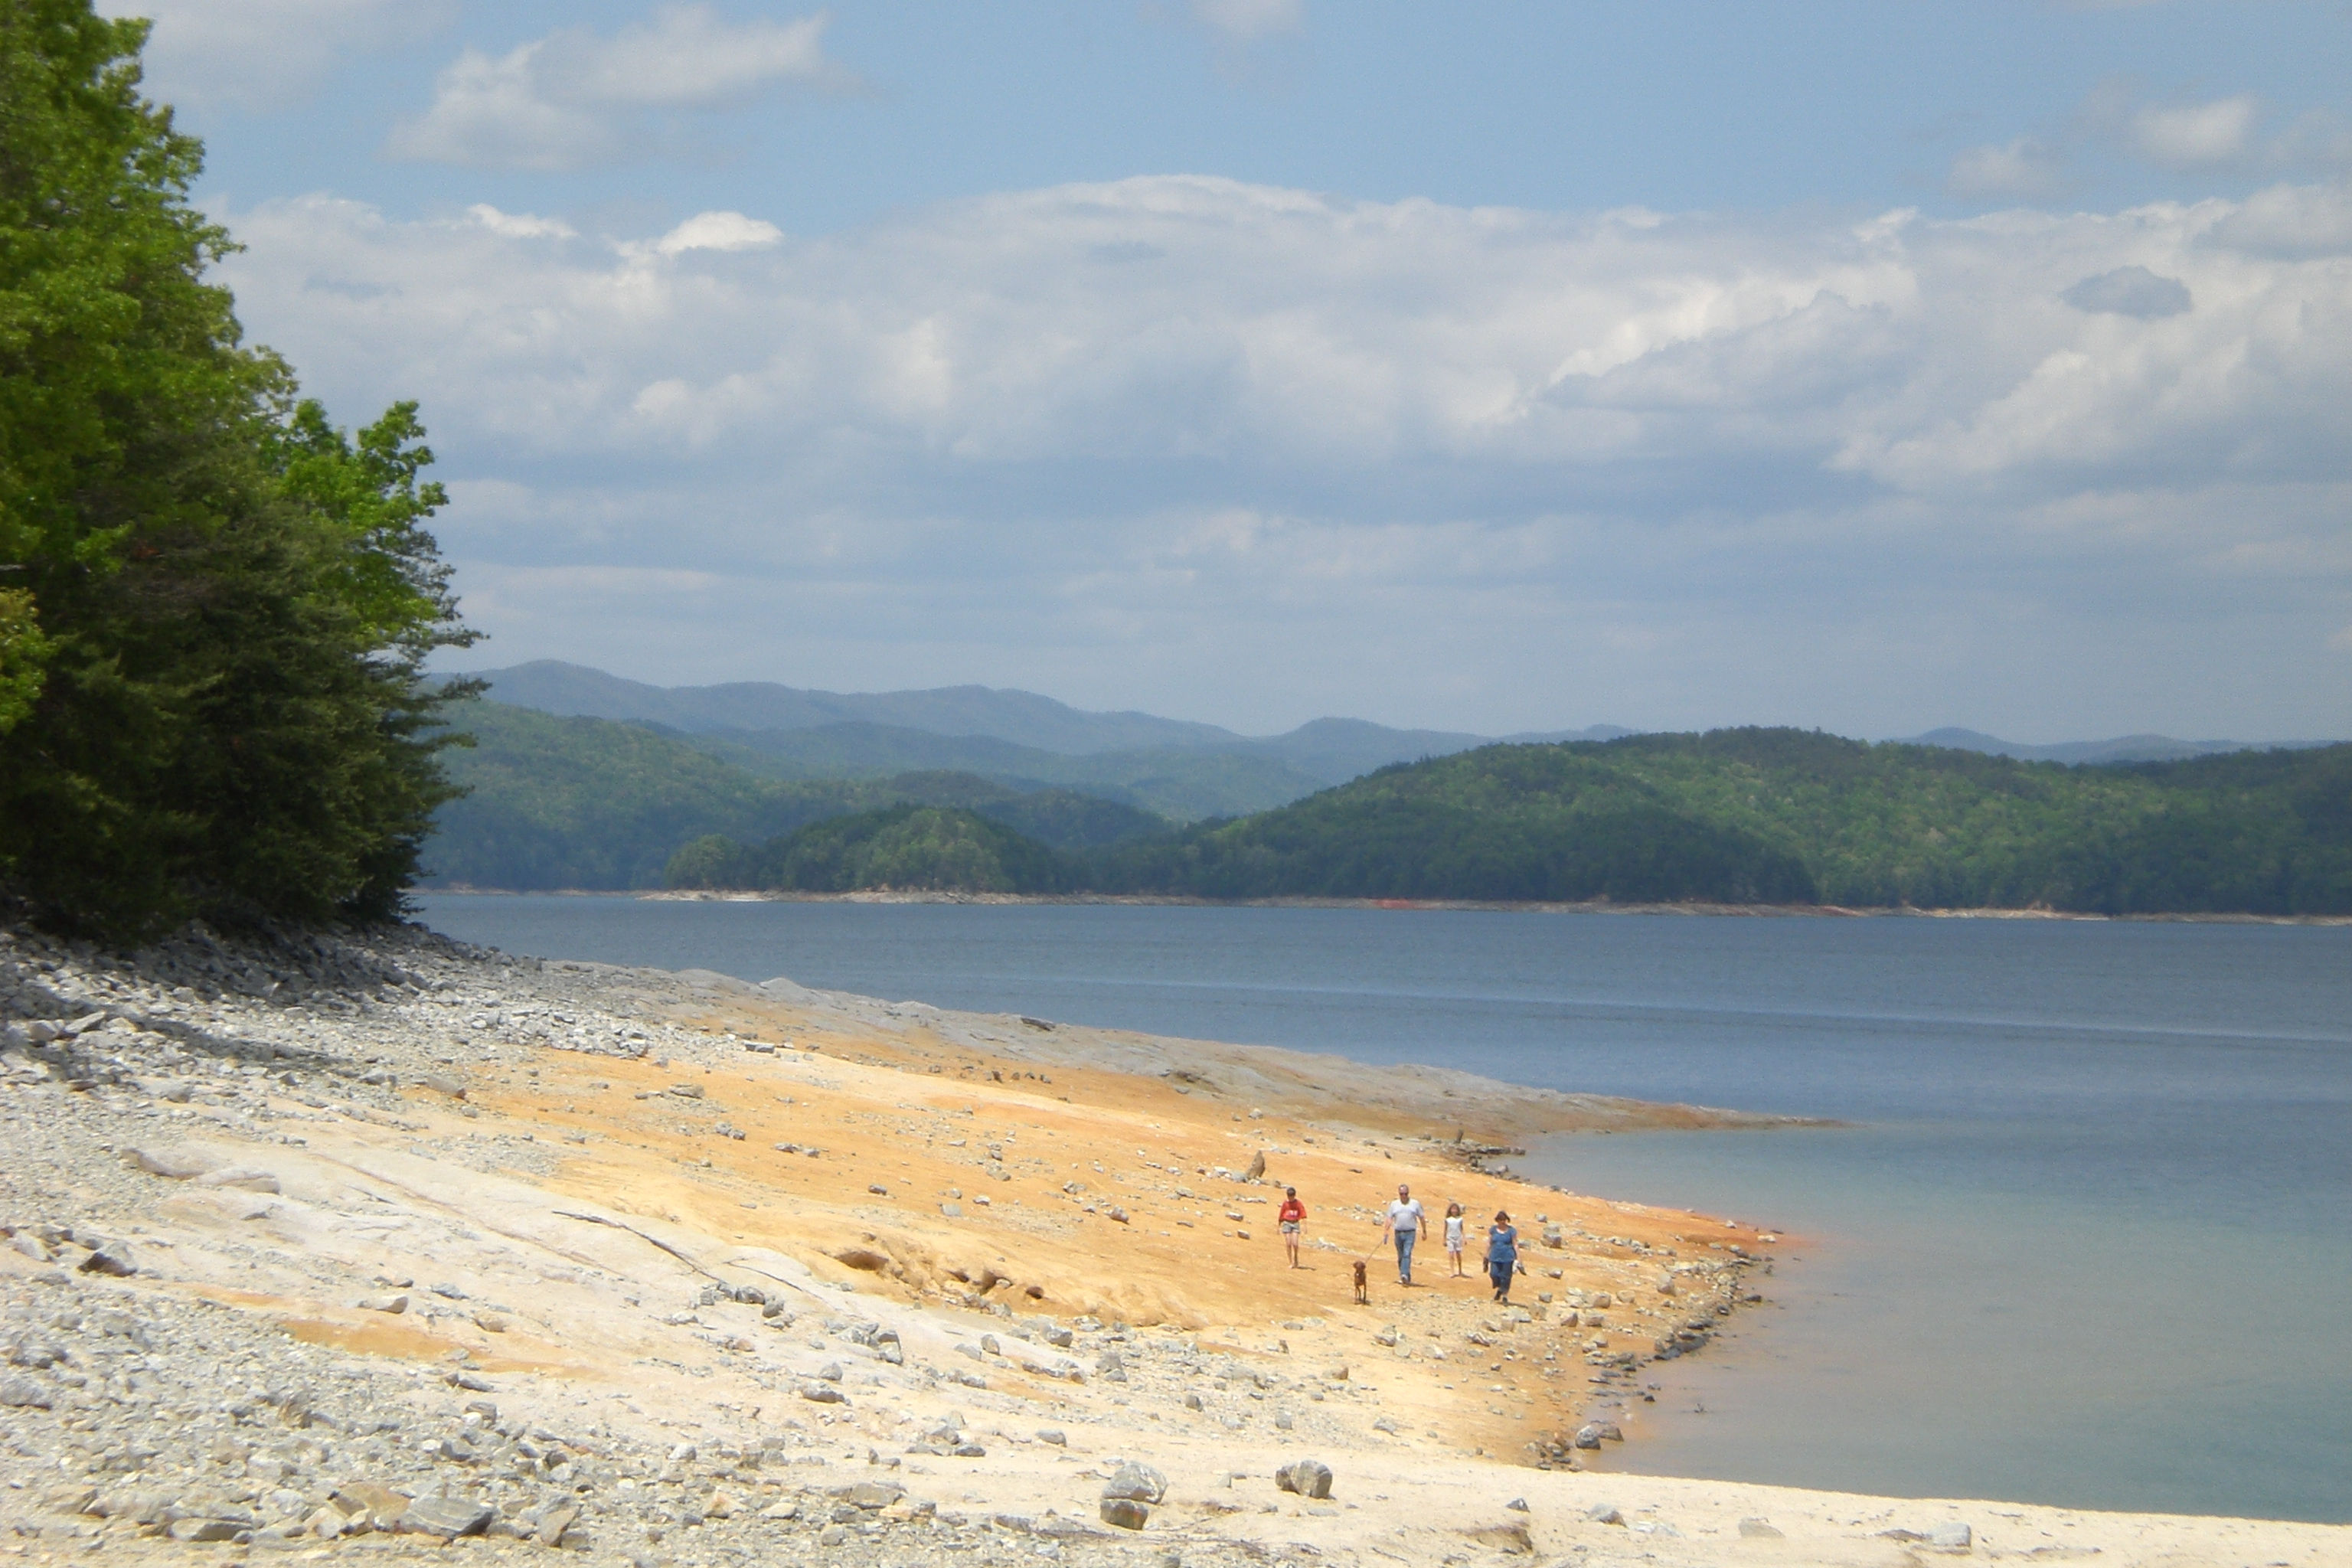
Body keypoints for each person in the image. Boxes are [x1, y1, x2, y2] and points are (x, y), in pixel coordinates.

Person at [1378, 1184, 1426, 1286]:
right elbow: (1389, 1218)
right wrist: (1386, 1232)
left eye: (1405, 1194)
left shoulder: (1415, 1204)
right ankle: (1405, 1276)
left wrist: (1424, 1231)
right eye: (1401, 1194)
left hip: (1410, 1232)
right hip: (1398, 1233)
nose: (1404, 1196)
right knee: (1400, 1256)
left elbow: (1421, 1217)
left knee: (1407, 1254)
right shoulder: (1394, 1204)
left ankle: (1404, 1274)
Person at [1486, 1210, 1520, 1303]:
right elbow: (1489, 1242)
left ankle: (1504, 1295)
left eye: (1504, 1220)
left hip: (1507, 1257)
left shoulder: (1511, 1231)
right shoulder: (1493, 1230)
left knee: (1506, 1277)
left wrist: (1518, 1258)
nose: (1502, 1222)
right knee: (1494, 1274)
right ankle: (1500, 1288)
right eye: (1500, 1220)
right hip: (1495, 1256)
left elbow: (1515, 1244)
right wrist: (1486, 1254)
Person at [1278, 1187, 1306, 1269]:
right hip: (1287, 1223)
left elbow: (1303, 1214)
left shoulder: (1298, 1203)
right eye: (1289, 1197)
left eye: (1292, 1197)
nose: (1290, 1198)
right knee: (1288, 1243)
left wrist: (1305, 1226)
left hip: (1295, 1223)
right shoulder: (1285, 1204)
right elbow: (1281, 1215)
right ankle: (1291, 1262)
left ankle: (1296, 1257)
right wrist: (1279, 1226)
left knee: (1295, 1244)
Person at [1444, 1201, 1466, 1277]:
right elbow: (1445, 1229)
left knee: (1458, 1254)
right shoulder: (1448, 1220)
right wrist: (1444, 1239)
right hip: (1450, 1237)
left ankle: (1460, 1270)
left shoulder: (1460, 1219)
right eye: (1453, 1209)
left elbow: (1462, 1229)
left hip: (1458, 1238)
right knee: (1451, 1254)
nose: (1454, 1211)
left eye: (1455, 1209)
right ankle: (1452, 1271)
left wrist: (1464, 1238)